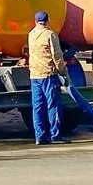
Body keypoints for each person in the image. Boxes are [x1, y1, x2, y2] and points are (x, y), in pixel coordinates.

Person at [26, 10, 69, 145]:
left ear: (35, 21)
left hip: (34, 75)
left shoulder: (31, 35)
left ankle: (40, 137)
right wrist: (63, 72)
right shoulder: (50, 35)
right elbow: (57, 56)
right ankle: (55, 135)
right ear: (48, 21)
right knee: (53, 106)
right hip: (48, 75)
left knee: (37, 107)